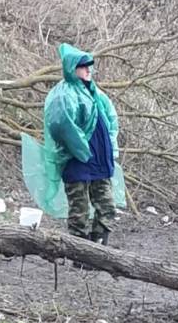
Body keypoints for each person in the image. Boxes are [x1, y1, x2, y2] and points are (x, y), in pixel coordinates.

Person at [43, 43, 120, 244]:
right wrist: (82, 150)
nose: (88, 70)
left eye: (89, 66)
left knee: (107, 207)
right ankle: (80, 255)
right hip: (77, 162)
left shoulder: (95, 93)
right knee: (80, 211)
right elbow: (60, 125)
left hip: (100, 161)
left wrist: (110, 147)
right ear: (72, 68)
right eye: (84, 66)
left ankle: (99, 249)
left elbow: (110, 120)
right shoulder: (64, 94)